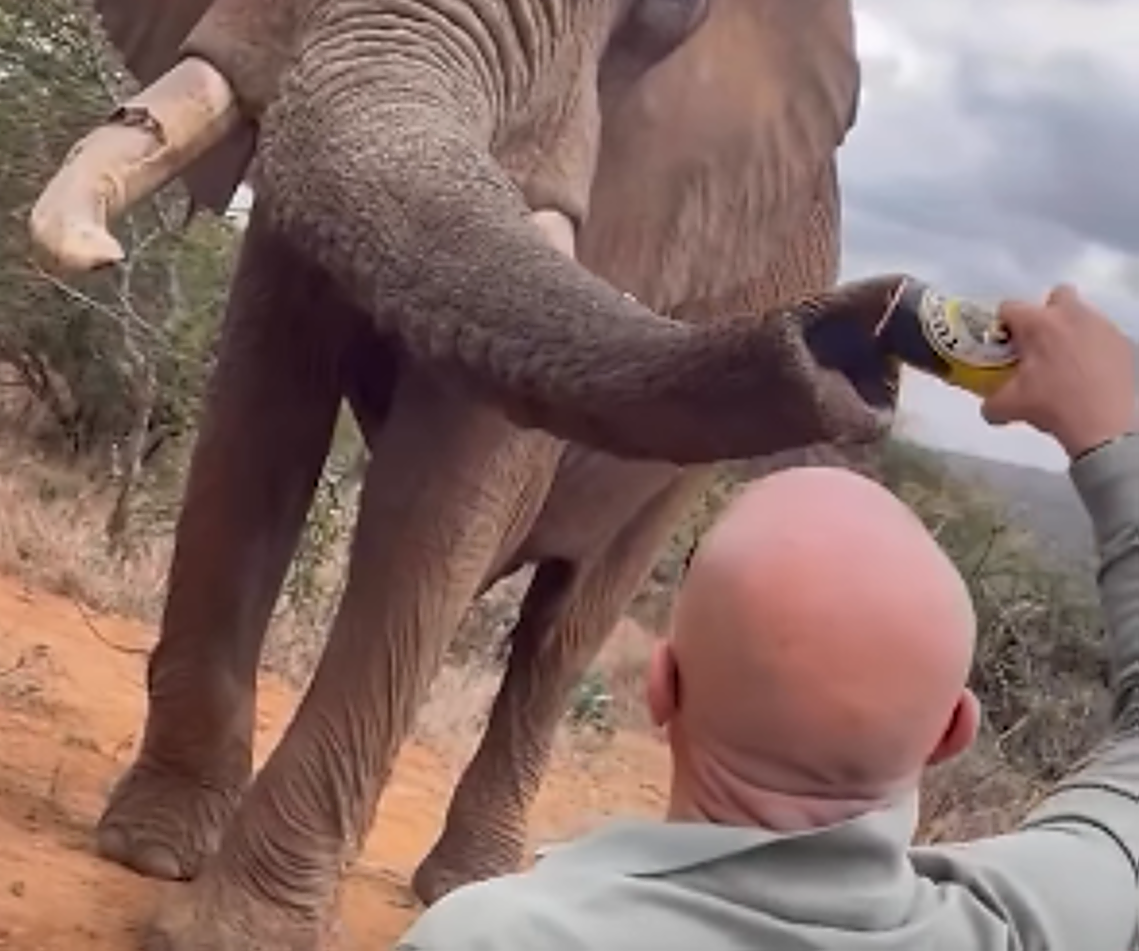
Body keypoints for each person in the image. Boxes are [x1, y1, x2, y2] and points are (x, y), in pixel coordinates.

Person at [396, 282, 1139, 949]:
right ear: (953, 731)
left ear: (661, 687)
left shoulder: (493, 938)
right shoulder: (1019, 928)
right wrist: (1115, 432)